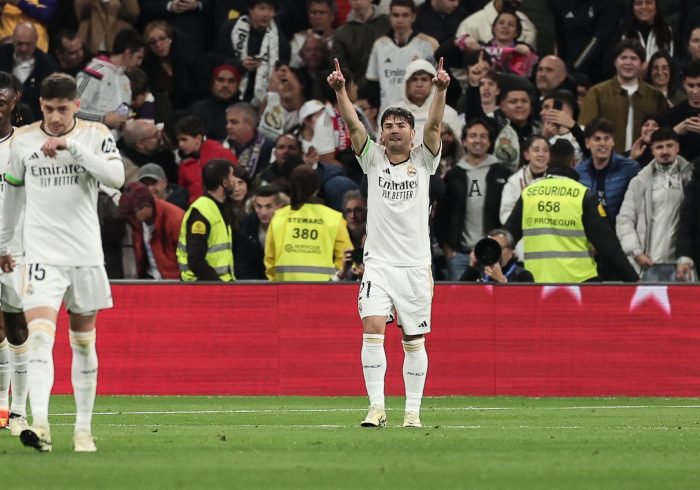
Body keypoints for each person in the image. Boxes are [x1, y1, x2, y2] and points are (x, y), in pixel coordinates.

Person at [0, 72, 126, 452]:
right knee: (39, 337)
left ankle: (83, 431)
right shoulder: (23, 141)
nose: (56, 117)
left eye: (63, 109)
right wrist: (5, 244)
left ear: (77, 105)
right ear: (40, 105)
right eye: (50, 109)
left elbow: (116, 179)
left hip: (85, 255)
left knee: (83, 344)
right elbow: (13, 196)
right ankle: (40, 424)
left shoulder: (96, 135)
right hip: (40, 256)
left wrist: (73, 147)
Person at [328, 55, 450, 428]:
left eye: (401, 125)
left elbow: (434, 123)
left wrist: (440, 90)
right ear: (381, 133)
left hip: (414, 265)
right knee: (373, 328)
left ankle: (412, 411)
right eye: (388, 125)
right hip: (378, 264)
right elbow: (352, 122)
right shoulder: (373, 159)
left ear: (411, 134)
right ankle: (376, 407)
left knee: (413, 341)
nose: (394, 129)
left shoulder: (424, 159)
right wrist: (341, 91)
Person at [504, 169, 638, 283]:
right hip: (581, 283)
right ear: (573, 162)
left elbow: (505, 237)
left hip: (538, 283)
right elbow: (607, 244)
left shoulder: (529, 194)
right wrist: (632, 278)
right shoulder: (582, 194)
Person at [435, 118, 512, 281]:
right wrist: (448, 249)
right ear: (464, 141)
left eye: (483, 136)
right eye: (473, 136)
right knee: (461, 304)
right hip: (460, 255)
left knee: (494, 303)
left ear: (490, 142)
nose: (478, 140)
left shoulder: (502, 173)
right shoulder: (453, 175)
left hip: (493, 255)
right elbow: (441, 215)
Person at [616, 128, 693, 278]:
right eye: (659, 147)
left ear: (677, 147)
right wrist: (636, 252)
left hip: (683, 267)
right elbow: (624, 220)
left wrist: (688, 258)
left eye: (669, 146)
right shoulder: (639, 182)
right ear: (652, 150)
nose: (665, 151)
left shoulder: (691, 180)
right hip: (648, 265)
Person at [0, 72, 28, 436]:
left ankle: (19, 409)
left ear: (15, 98)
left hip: (18, 250)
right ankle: (2, 408)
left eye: (2, 97)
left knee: (19, 325)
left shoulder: (22, 145)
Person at [579, 39, 668, 154]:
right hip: (607, 161)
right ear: (615, 62)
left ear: (643, 64)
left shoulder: (655, 96)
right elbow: (585, 129)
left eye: (633, 58)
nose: (628, 63)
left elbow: (665, 132)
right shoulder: (597, 92)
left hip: (645, 161)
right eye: (623, 58)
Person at [264, 165, 351, 281]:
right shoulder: (333, 218)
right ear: (317, 188)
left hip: (285, 291)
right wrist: (335, 280)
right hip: (323, 291)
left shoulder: (279, 217)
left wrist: (274, 283)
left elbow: (270, 259)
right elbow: (346, 256)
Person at [365, 0, 437, 116]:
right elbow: (372, 83)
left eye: (405, 15)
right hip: (386, 114)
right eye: (396, 15)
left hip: (419, 115)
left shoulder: (427, 44)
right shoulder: (380, 45)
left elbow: (435, 84)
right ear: (390, 17)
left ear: (413, 17)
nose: (400, 20)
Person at [76, 28, 146, 133]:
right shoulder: (94, 71)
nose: (139, 63)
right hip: (87, 140)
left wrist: (125, 120)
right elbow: (71, 111)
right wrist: (102, 119)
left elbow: (123, 110)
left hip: (112, 145)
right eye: (138, 57)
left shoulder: (125, 80)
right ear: (127, 53)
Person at [176, 159, 236, 282]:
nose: (235, 181)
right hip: (201, 287)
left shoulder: (219, 207)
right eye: (232, 176)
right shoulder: (201, 213)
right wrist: (217, 285)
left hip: (213, 285)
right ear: (225, 183)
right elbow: (196, 261)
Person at [575, 118, 641, 227]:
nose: (602, 143)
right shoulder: (579, 173)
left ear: (613, 141)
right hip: (588, 239)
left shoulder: (630, 169)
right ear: (587, 143)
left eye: (607, 138)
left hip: (620, 237)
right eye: (597, 139)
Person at [118, 182, 185, 280]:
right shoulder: (138, 223)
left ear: (146, 206)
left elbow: (187, 261)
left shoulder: (176, 220)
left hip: (173, 282)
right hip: (150, 279)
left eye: (133, 213)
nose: (131, 219)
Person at [0, 22, 58, 121]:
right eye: (19, 44)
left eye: (28, 44)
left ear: (36, 41)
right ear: (13, 40)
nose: (23, 48)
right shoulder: (2, 53)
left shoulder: (48, 65)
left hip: (33, 118)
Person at [175, 114, 238, 204]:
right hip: (196, 208)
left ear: (198, 139)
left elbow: (238, 179)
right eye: (179, 140)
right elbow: (182, 190)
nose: (180, 144)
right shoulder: (183, 163)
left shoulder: (221, 153)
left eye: (184, 139)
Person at [235, 184, 286, 280]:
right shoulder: (246, 226)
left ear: (279, 207)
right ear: (254, 205)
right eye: (259, 206)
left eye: (268, 206)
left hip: (281, 283)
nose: (263, 212)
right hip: (254, 285)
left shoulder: (288, 227)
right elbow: (242, 264)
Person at [188, 64, 242, 141]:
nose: (225, 85)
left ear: (238, 85)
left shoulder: (245, 111)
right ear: (212, 83)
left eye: (231, 81)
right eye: (220, 80)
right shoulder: (197, 110)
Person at [459, 229, 534, 283]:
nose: (493, 252)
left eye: (498, 248)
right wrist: (471, 266)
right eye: (489, 248)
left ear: (511, 251)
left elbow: (525, 302)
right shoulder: (479, 272)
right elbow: (457, 296)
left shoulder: (523, 276)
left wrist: (502, 281)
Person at [223, 102, 274, 179]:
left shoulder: (268, 147)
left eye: (234, 122)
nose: (228, 126)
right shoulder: (221, 145)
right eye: (227, 122)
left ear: (250, 124)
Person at [665, 61, 700, 162]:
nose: (695, 91)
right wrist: (675, 131)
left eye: (699, 85)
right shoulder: (671, 114)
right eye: (691, 85)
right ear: (684, 84)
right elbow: (659, 146)